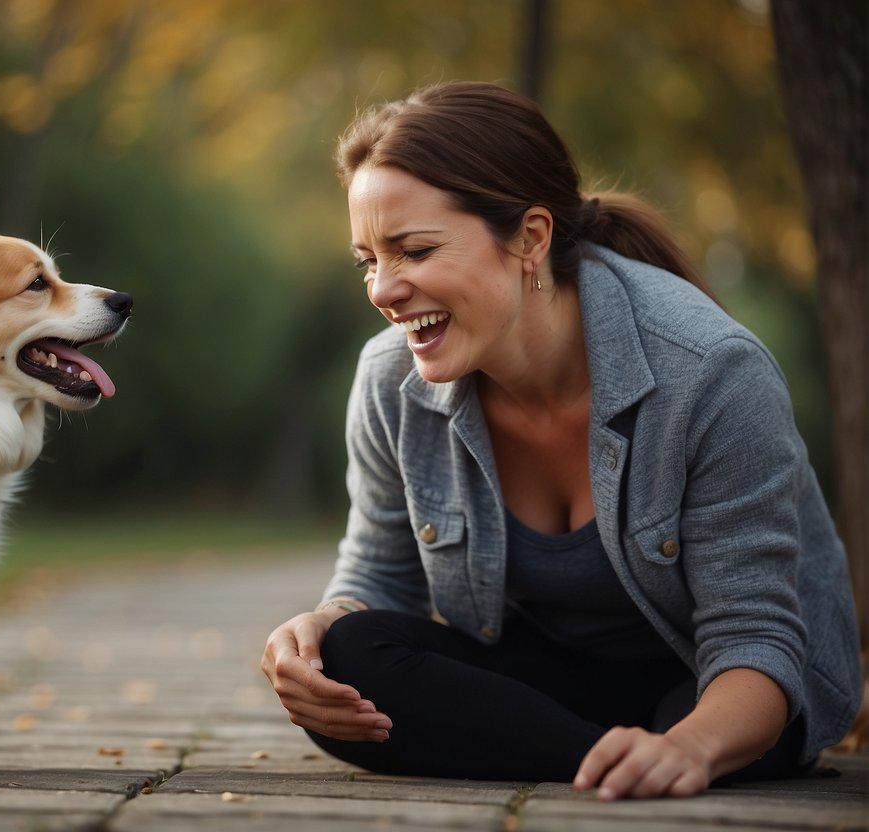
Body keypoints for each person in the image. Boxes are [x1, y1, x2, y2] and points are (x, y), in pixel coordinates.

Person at [260, 80, 861, 800]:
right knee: (347, 656)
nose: (382, 290)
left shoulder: (709, 372)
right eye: (367, 260)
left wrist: (692, 749)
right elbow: (379, 577)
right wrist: (316, 632)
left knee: (729, 726)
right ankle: (605, 761)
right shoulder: (389, 382)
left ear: (530, 238)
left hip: (710, 682)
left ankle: (624, 758)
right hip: (552, 682)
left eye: (413, 250)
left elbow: (754, 638)